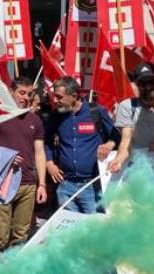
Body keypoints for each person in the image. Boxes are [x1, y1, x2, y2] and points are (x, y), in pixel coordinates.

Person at [0, 78, 47, 259]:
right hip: (3, 184)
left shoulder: (35, 120)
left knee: (20, 236)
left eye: (29, 94)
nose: (25, 98)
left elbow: (40, 152)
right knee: (0, 236)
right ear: (11, 91)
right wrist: (6, 158)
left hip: (28, 184)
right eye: (21, 93)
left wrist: (42, 184)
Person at [43, 77, 119, 213]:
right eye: (54, 96)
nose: (55, 100)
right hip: (65, 186)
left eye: (59, 97)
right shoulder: (55, 116)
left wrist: (109, 144)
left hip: (91, 186)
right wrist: (49, 163)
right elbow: (47, 141)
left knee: (93, 230)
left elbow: (116, 136)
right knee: (69, 231)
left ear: (74, 96)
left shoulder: (96, 112)